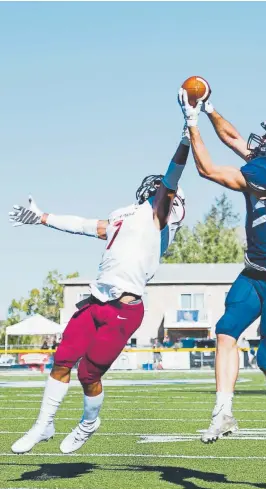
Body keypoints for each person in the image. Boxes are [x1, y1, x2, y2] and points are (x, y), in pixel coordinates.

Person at [9, 125, 192, 455]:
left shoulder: (157, 218)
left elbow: (173, 174)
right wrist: (43, 218)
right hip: (96, 301)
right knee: (62, 361)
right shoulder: (124, 217)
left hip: (125, 309)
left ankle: (89, 423)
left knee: (88, 373)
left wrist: (185, 139)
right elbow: (82, 225)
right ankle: (43, 424)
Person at [178, 88, 266, 467]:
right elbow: (234, 138)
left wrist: (189, 122)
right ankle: (223, 412)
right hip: (253, 271)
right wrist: (208, 109)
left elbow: (207, 169)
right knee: (225, 330)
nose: (262, 140)